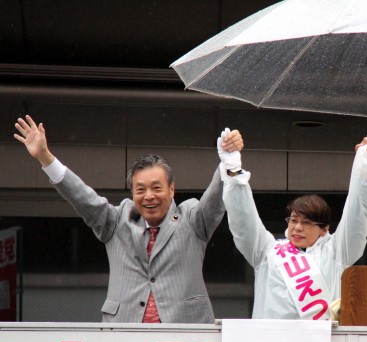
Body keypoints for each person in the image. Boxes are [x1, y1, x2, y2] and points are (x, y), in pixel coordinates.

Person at [13, 115, 243, 323]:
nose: (149, 196)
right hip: (125, 338)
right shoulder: (116, 221)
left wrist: (229, 164)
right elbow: (82, 197)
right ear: (132, 193)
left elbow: (214, 201)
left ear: (172, 190)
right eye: (140, 189)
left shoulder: (192, 219)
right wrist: (45, 157)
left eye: (156, 188)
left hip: (183, 338)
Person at [217, 129, 367, 320]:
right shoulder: (267, 251)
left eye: (307, 223)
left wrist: (366, 166)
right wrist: (233, 167)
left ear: (324, 229)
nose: (297, 228)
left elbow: (357, 215)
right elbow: (243, 220)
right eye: (294, 220)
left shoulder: (336, 253)